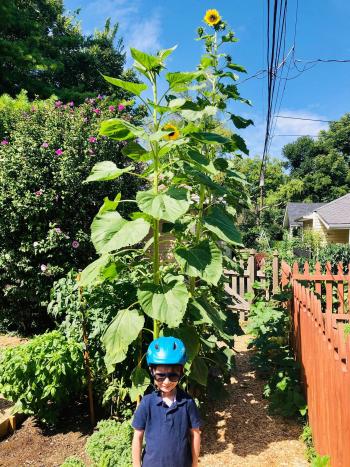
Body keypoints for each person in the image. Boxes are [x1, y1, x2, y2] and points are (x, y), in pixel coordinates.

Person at [131, 336, 201, 467]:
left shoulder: (188, 402)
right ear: (152, 371)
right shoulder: (147, 403)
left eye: (173, 375)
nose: (167, 382)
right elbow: (138, 436)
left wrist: (195, 463)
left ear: (181, 372)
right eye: (160, 376)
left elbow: (195, 434)